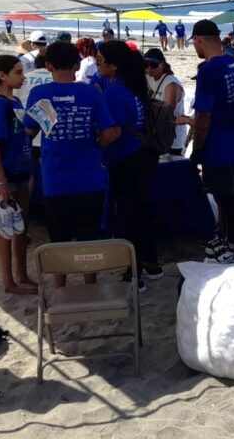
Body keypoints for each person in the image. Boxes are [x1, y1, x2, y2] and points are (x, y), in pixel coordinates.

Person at [22, 41, 119, 287]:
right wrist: (95, 144)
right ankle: (90, 284)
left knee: (59, 238)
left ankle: (60, 287)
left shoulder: (39, 93)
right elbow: (109, 133)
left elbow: (29, 129)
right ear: (77, 65)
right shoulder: (91, 93)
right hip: (90, 177)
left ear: (48, 66)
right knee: (89, 238)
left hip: (56, 179)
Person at [98, 41, 164, 285]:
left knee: (129, 217)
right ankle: (152, 264)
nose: (97, 63)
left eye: (100, 60)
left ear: (113, 66)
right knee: (142, 213)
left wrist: (96, 143)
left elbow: (112, 131)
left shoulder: (114, 91)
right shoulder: (133, 86)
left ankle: (134, 275)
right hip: (141, 156)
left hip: (125, 159)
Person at [185, 20, 234, 264]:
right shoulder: (233, 63)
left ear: (199, 39)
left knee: (224, 196)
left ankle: (232, 243)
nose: (195, 47)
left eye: (194, 42)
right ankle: (225, 237)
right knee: (231, 194)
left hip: (218, 144)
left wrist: (197, 150)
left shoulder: (209, 71)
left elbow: (204, 117)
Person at [0, 54, 37, 294]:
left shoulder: (15, 103)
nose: (23, 76)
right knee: (6, 230)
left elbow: (21, 132)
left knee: (21, 227)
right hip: (6, 173)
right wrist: (1, 180)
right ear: (2, 75)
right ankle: (9, 282)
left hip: (21, 170)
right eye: (17, 72)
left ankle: (22, 274)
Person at [145, 48, 188, 155]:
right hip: (156, 134)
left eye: (154, 65)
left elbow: (166, 115)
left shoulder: (170, 84)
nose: (149, 68)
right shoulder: (149, 76)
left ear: (162, 65)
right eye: (146, 64)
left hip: (173, 138)